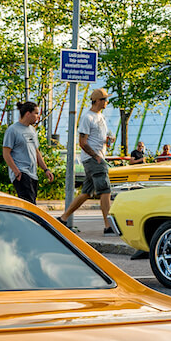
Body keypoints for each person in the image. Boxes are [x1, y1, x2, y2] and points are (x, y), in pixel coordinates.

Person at [58, 88, 115, 234]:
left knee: (86, 193)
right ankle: (108, 226)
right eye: (105, 99)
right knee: (105, 190)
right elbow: (82, 142)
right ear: (97, 101)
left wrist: (107, 141)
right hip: (94, 159)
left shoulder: (100, 117)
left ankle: (63, 218)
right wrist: (96, 156)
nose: (107, 102)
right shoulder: (87, 117)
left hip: (97, 157)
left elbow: (97, 139)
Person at [1, 101, 54, 203]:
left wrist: (46, 169)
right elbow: (6, 153)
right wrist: (16, 172)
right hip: (21, 173)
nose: (38, 116)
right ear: (28, 114)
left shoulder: (32, 130)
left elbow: (36, 152)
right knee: (30, 204)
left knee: (29, 205)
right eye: (36, 113)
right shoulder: (12, 130)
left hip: (33, 174)